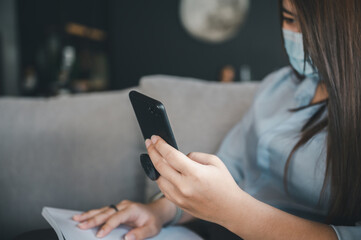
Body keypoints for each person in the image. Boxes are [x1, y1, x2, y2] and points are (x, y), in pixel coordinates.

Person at [72, 0, 361, 239]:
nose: (295, 34)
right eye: (288, 18)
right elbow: (231, 165)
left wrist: (233, 211)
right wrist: (160, 211)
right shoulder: (277, 87)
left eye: (308, 23)